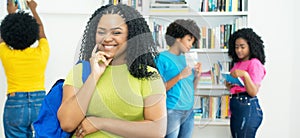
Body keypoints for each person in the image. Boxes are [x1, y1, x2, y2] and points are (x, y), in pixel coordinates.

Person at [57, 4, 167, 138]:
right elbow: (67, 123)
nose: (107, 38)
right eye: (101, 32)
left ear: (131, 36)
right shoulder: (80, 71)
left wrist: (101, 123)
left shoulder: (148, 75)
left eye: (116, 32)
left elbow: (157, 130)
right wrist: (94, 76)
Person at [0, 0, 49, 137]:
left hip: (15, 102)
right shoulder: (42, 52)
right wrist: (33, 10)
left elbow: (2, 37)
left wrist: (11, 14)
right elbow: (41, 32)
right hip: (40, 102)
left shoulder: (6, 54)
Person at [155, 19, 202, 138]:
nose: (191, 45)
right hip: (172, 110)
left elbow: (192, 88)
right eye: (189, 40)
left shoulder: (187, 59)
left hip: (189, 111)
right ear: (178, 37)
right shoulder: (161, 58)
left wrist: (197, 76)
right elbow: (158, 89)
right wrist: (180, 76)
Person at [225, 28, 266, 138]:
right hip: (236, 107)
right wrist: (230, 85)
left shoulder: (255, 64)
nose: (239, 50)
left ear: (251, 46)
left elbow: (253, 92)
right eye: (236, 47)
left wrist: (245, 74)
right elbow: (240, 86)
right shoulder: (238, 63)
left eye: (242, 47)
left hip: (248, 108)